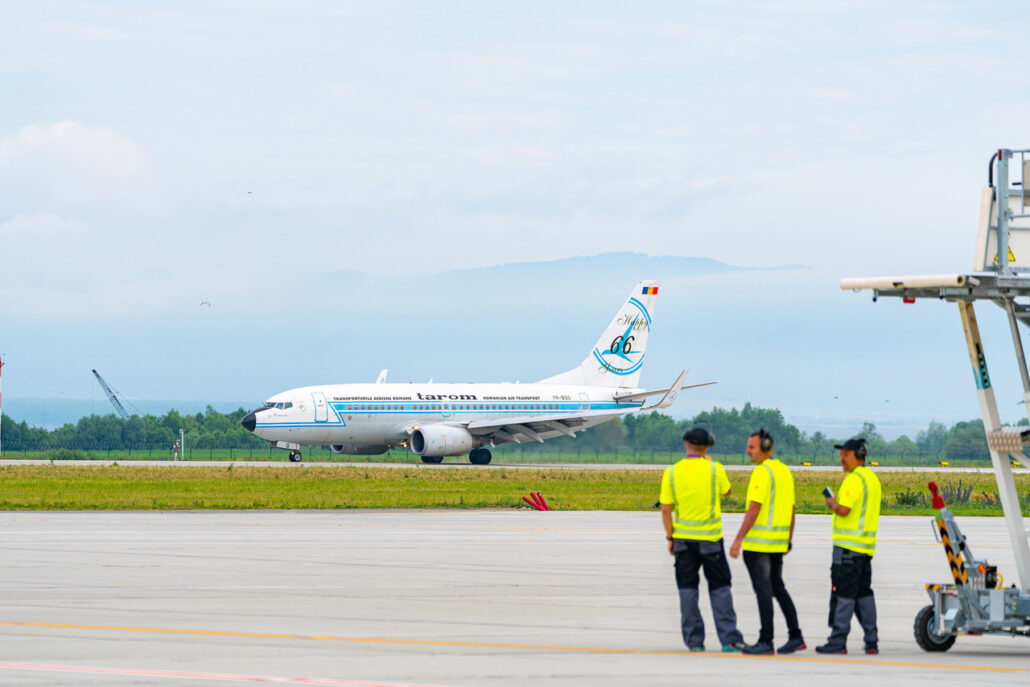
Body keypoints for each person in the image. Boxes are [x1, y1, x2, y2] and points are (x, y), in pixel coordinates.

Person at [659, 427, 744, 653]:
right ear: (707, 446)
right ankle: (729, 639)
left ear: (686, 444)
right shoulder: (715, 469)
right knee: (720, 589)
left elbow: (666, 509)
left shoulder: (673, 472)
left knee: (687, 590)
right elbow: (728, 491)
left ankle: (694, 641)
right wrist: (710, 463)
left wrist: (670, 536)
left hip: (683, 541)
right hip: (710, 540)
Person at [729, 429, 805, 655]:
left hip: (759, 545)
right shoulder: (783, 471)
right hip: (777, 544)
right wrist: (788, 540)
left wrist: (738, 539)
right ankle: (795, 635)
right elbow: (792, 510)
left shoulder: (762, 473)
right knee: (778, 588)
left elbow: (755, 508)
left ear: (764, 448)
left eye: (751, 447)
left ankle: (766, 640)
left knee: (764, 591)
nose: (747, 451)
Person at [816, 437, 881, 655]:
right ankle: (871, 640)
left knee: (843, 594)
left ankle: (837, 639)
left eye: (845, 454)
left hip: (847, 549)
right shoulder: (872, 478)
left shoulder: (854, 480)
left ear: (858, 456)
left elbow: (844, 510)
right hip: (865, 549)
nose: (841, 459)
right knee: (864, 594)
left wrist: (831, 503)